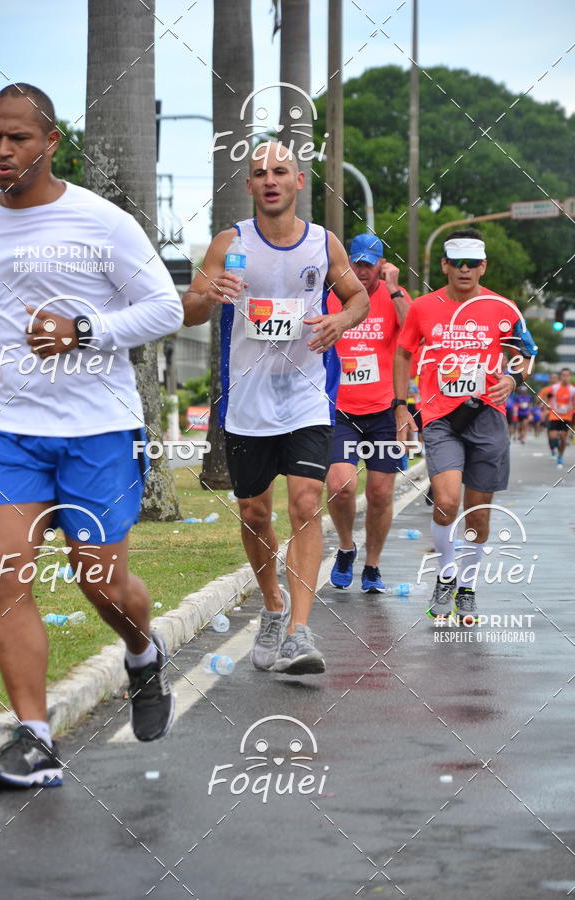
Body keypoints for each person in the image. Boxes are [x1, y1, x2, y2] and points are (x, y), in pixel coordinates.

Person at [0, 85, 183, 789]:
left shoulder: (102, 222)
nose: (4, 151)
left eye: (19, 138)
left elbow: (165, 308)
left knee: (100, 579)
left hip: (97, 430)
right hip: (6, 432)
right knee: (3, 575)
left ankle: (142, 653)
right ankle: (34, 739)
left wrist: (82, 330)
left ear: (51, 142)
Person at [182, 141, 368, 675]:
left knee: (306, 503)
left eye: (280, 171)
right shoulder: (230, 242)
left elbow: (358, 298)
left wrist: (341, 321)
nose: (270, 180)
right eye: (260, 172)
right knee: (254, 512)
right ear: (249, 185)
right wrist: (209, 294)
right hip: (247, 400)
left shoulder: (323, 243)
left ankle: (298, 632)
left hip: (306, 395)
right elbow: (189, 311)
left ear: (298, 182)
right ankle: (272, 604)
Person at [393, 229, 537, 623]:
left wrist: (513, 378)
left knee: (478, 515)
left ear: (483, 266)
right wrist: (400, 406)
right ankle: (446, 575)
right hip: (440, 417)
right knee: (445, 502)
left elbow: (526, 355)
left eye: (472, 263)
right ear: (444, 265)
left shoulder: (502, 308)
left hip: (487, 416)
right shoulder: (423, 307)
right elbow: (403, 354)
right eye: (457, 263)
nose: (464, 270)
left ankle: (468, 588)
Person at [326, 233, 410, 593]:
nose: (361, 271)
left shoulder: (396, 296)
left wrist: (394, 290)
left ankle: (372, 565)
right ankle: (346, 547)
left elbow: (415, 334)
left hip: (384, 412)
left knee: (380, 494)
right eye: (356, 263)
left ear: (382, 266)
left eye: (368, 265)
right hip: (340, 409)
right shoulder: (332, 295)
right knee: (341, 486)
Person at [545, 367, 575, 467]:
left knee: (563, 437)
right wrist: (547, 405)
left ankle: (560, 456)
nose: (565, 377)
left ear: (570, 376)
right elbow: (546, 397)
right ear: (560, 376)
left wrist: (569, 407)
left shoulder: (572, 390)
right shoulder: (554, 388)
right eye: (563, 375)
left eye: (567, 375)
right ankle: (556, 446)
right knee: (553, 436)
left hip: (566, 416)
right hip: (554, 415)